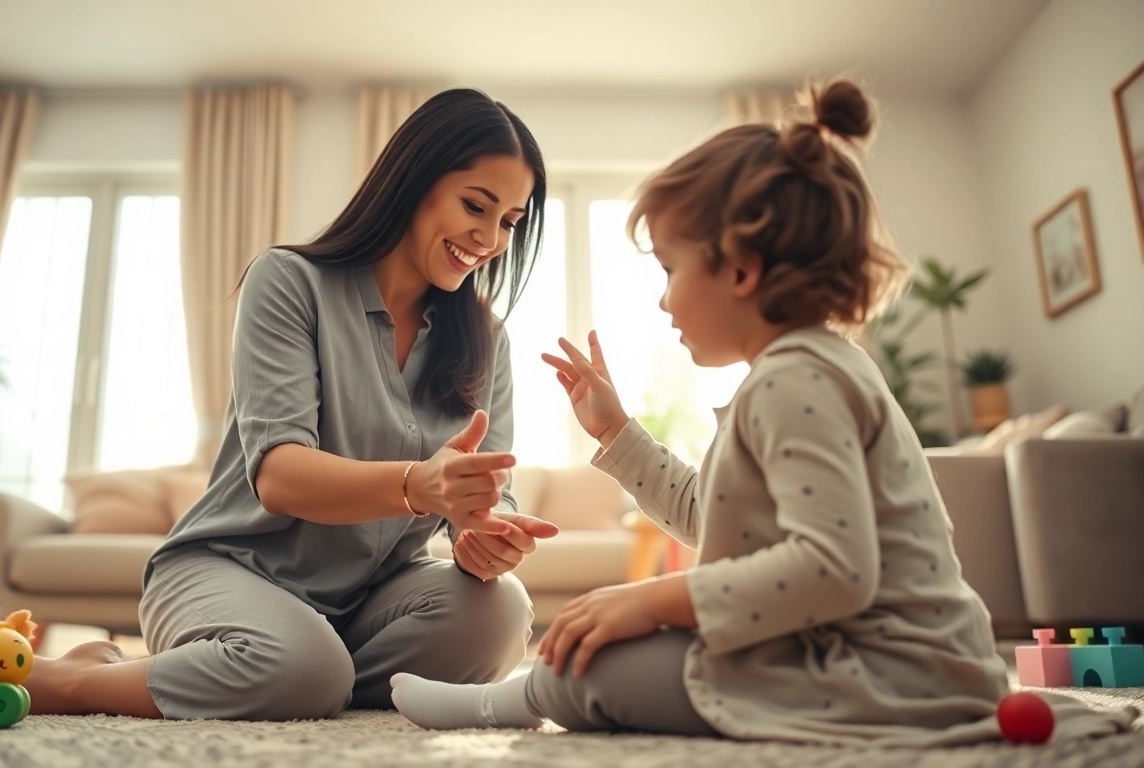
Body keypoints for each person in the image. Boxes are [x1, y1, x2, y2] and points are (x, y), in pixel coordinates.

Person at [390, 79, 1136, 745]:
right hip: (891, 662)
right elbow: (716, 518)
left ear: (742, 270)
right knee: (604, 648)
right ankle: (508, 697)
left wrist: (651, 600)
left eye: (670, 270)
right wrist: (616, 431)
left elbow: (832, 570)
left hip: (877, 673)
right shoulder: (808, 369)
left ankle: (498, 705)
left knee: (589, 663)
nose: (663, 300)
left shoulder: (795, 382)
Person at [23, 88, 559, 720]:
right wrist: (420, 486)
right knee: (304, 668)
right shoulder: (288, 281)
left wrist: (485, 530)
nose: (490, 239)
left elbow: (490, 491)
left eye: (510, 222)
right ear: (415, 181)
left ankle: (294, 675)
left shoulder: (486, 339)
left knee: (501, 612)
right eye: (476, 205)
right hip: (229, 570)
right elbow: (279, 476)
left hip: (371, 599)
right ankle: (77, 681)